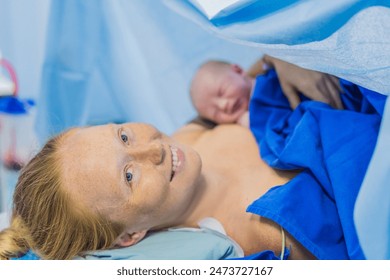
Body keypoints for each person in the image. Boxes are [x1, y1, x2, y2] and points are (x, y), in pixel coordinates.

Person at [0, 60, 383, 261]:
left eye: (123, 135)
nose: (153, 150)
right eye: (129, 176)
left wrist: (283, 58)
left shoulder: (188, 137)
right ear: (128, 236)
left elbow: (240, 80)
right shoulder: (269, 235)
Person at [190, 55, 343, 126]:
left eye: (222, 91)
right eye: (216, 113)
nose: (223, 105)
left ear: (237, 70)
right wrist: (250, 122)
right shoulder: (248, 119)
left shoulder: (267, 74)